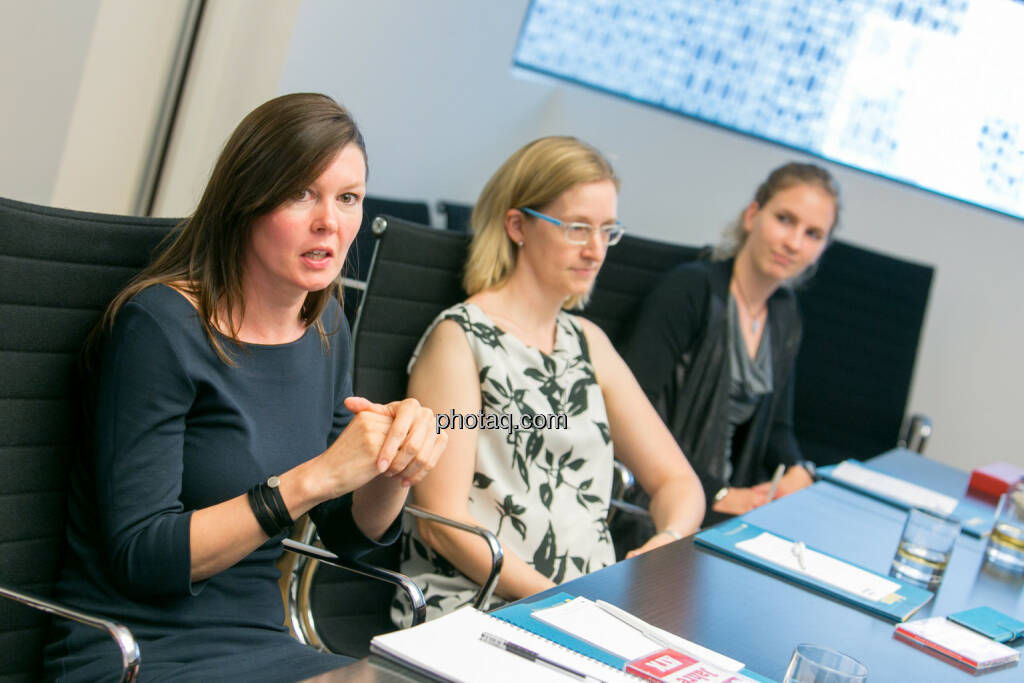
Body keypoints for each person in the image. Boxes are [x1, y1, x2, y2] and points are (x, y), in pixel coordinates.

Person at [43, 93, 446, 682]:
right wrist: (314, 477)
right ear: (245, 201)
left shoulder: (326, 323)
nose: (329, 223)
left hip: (262, 642)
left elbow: (347, 535)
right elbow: (142, 557)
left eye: (348, 198)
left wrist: (393, 466)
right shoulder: (158, 328)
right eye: (300, 193)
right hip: (132, 651)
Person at [391, 136, 705, 626]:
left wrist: (661, 546)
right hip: (484, 608)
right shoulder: (461, 338)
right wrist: (570, 601)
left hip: (592, 609)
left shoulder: (587, 342)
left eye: (608, 231)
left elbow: (679, 483)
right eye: (578, 228)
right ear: (517, 225)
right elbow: (444, 525)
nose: (596, 250)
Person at [614, 162, 839, 547]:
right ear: (753, 215)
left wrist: (799, 469)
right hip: (660, 503)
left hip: (730, 510)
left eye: (813, 234)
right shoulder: (690, 290)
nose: (794, 243)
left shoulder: (784, 314)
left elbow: (777, 430)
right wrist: (717, 492)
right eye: (785, 219)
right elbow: (628, 415)